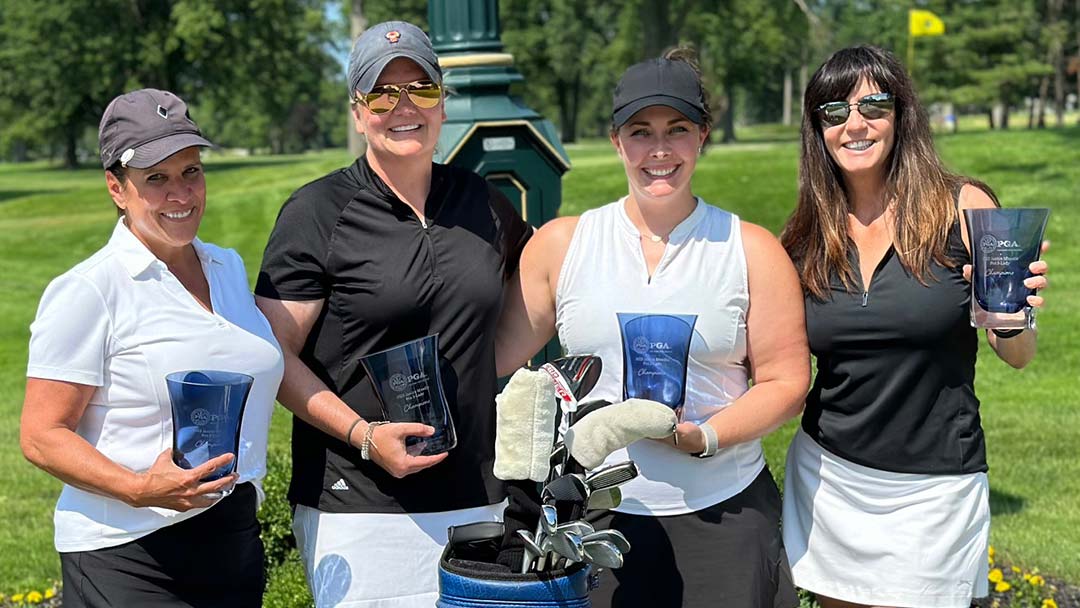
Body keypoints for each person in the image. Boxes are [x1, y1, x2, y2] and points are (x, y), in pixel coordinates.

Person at [496, 49, 809, 608]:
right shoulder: (564, 245)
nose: (659, 150)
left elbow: (787, 382)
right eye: (640, 132)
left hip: (724, 511)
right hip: (595, 518)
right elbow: (493, 360)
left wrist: (702, 437)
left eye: (677, 130)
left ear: (703, 136)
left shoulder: (750, 249)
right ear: (616, 140)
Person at [254, 20, 532, 607]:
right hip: (361, 506)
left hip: (479, 494)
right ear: (359, 112)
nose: (403, 108)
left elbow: (542, 289)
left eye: (422, 90)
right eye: (383, 93)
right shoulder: (316, 213)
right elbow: (270, 354)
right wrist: (363, 434)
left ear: (442, 103)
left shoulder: (485, 205)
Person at [780, 45, 1050, 608]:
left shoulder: (962, 205)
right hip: (831, 476)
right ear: (818, 130)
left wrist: (1012, 312)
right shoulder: (805, 235)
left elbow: (1019, 354)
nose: (855, 124)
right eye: (835, 112)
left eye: (874, 105)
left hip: (936, 485)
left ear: (901, 114)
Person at [19, 88, 284, 607]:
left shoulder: (226, 267)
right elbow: (41, 435)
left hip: (231, 542)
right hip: (127, 552)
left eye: (191, 172)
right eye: (156, 180)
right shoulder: (92, 289)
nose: (181, 195)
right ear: (117, 188)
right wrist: (139, 488)